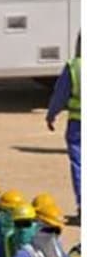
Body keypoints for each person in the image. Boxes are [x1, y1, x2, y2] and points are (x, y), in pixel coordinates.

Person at [45, 48, 80, 219]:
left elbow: (60, 95)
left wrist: (51, 114)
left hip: (78, 124)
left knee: (79, 164)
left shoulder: (74, 67)